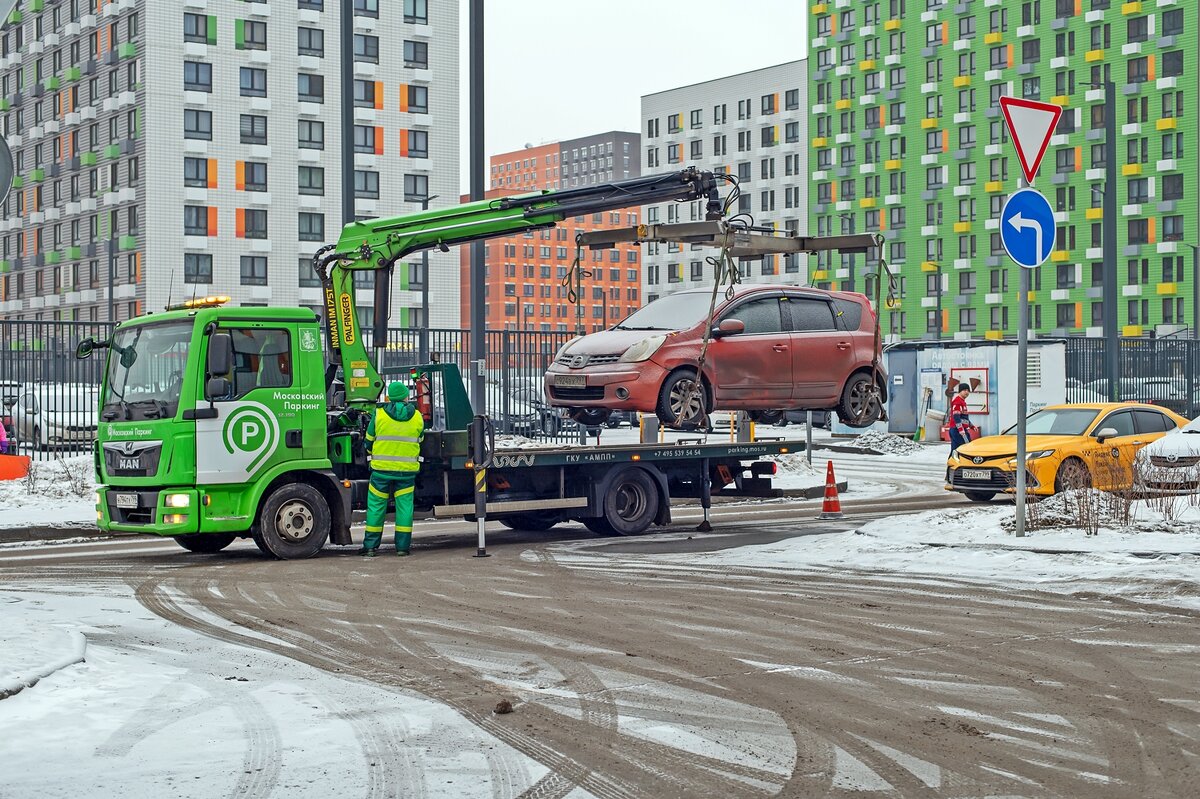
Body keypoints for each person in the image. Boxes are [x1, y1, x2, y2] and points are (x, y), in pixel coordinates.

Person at [360, 381, 425, 557]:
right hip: (406, 472)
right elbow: (420, 439)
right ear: (405, 396)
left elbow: (368, 440)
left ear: (390, 397)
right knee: (404, 508)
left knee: (376, 507)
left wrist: (371, 451)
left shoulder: (379, 415)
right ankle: (402, 548)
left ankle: (371, 547)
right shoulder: (417, 416)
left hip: (381, 472)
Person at [948, 383, 972, 454]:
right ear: (960, 391)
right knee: (965, 449)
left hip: (959, 430)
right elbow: (956, 417)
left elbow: (963, 418)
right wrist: (960, 429)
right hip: (957, 430)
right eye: (964, 390)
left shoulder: (962, 402)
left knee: (955, 450)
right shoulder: (957, 402)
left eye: (968, 390)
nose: (966, 392)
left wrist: (971, 426)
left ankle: (952, 464)